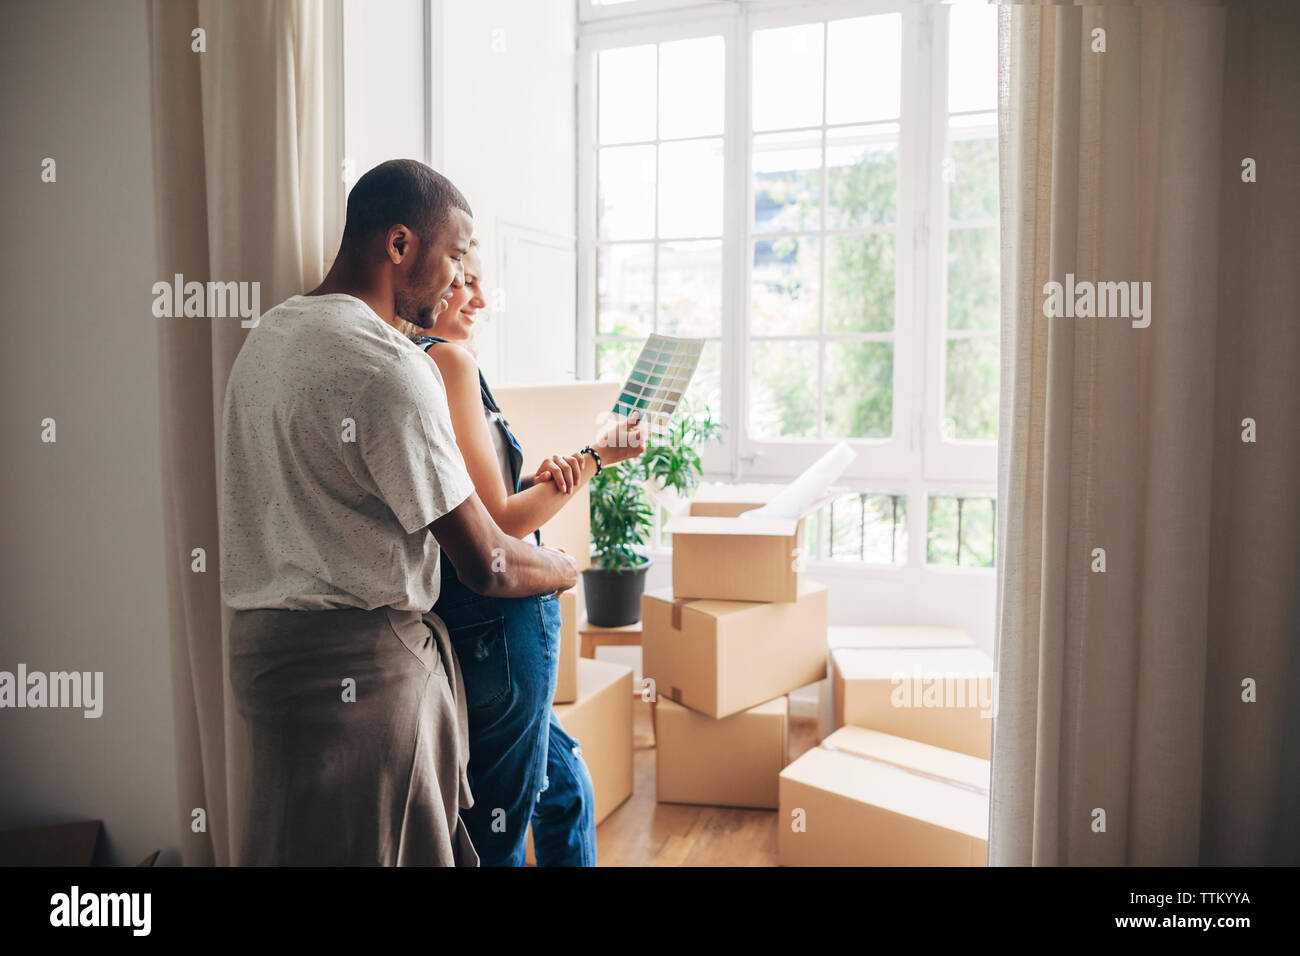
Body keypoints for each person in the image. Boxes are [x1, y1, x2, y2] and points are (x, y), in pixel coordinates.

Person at [219, 159, 577, 866]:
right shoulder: (390, 365)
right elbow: (490, 562)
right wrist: (564, 567)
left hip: (262, 670)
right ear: (400, 244)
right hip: (366, 683)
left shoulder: (265, 339)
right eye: (455, 256)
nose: (459, 281)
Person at [408, 239, 647, 866]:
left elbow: (481, 506)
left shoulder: (425, 364)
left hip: (491, 628)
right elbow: (500, 527)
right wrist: (598, 457)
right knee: (500, 833)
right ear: (428, 281)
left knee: (564, 786)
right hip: (501, 630)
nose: (481, 300)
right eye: (466, 284)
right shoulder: (448, 362)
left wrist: (539, 481)